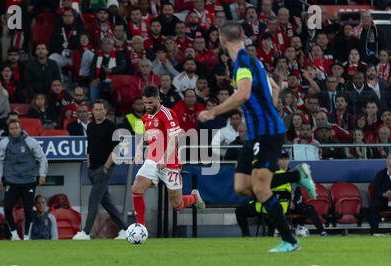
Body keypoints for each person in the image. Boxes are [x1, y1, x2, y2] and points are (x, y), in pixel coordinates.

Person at [198, 22, 316, 253]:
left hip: (267, 132)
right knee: (242, 186)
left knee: (261, 189)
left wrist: (213, 111)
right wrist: (267, 108)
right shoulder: (255, 62)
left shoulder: (242, 63)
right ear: (242, 36)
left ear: (222, 40)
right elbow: (274, 88)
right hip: (256, 133)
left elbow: (243, 94)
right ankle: (296, 175)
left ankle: (290, 241)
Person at [131, 85, 205, 228]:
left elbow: (175, 137)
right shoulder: (146, 117)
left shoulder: (167, 113)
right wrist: (139, 149)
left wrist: (164, 158)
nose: (147, 106)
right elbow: (148, 135)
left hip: (169, 161)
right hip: (152, 160)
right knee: (136, 188)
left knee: (176, 204)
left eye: (150, 102)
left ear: (158, 99)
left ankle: (194, 197)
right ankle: (141, 228)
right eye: (145, 102)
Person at [73, 100, 128, 240]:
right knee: (106, 202)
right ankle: (125, 229)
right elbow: (89, 148)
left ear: (105, 111)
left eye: (100, 109)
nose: (97, 112)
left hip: (104, 169)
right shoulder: (90, 126)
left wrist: (106, 167)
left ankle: (85, 232)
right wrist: (89, 166)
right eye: (95, 109)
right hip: (92, 169)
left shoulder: (111, 127)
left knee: (93, 200)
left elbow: (116, 150)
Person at [0, 119, 48, 240]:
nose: (14, 131)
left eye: (16, 128)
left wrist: (42, 175)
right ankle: (14, 234)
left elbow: (42, 158)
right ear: (9, 130)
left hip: (28, 180)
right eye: (11, 129)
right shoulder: (4, 142)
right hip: (12, 181)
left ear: (21, 129)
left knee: (28, 210)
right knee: (7, 208)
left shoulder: (30, 141)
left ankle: (26, 236)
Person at [368, 154, 391, 236]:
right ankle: (375, 232)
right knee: (374, 204)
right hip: (383, 201)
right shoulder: (380, 174)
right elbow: (375, 192)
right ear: (387, 162)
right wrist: (384, 194)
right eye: (390, 160)